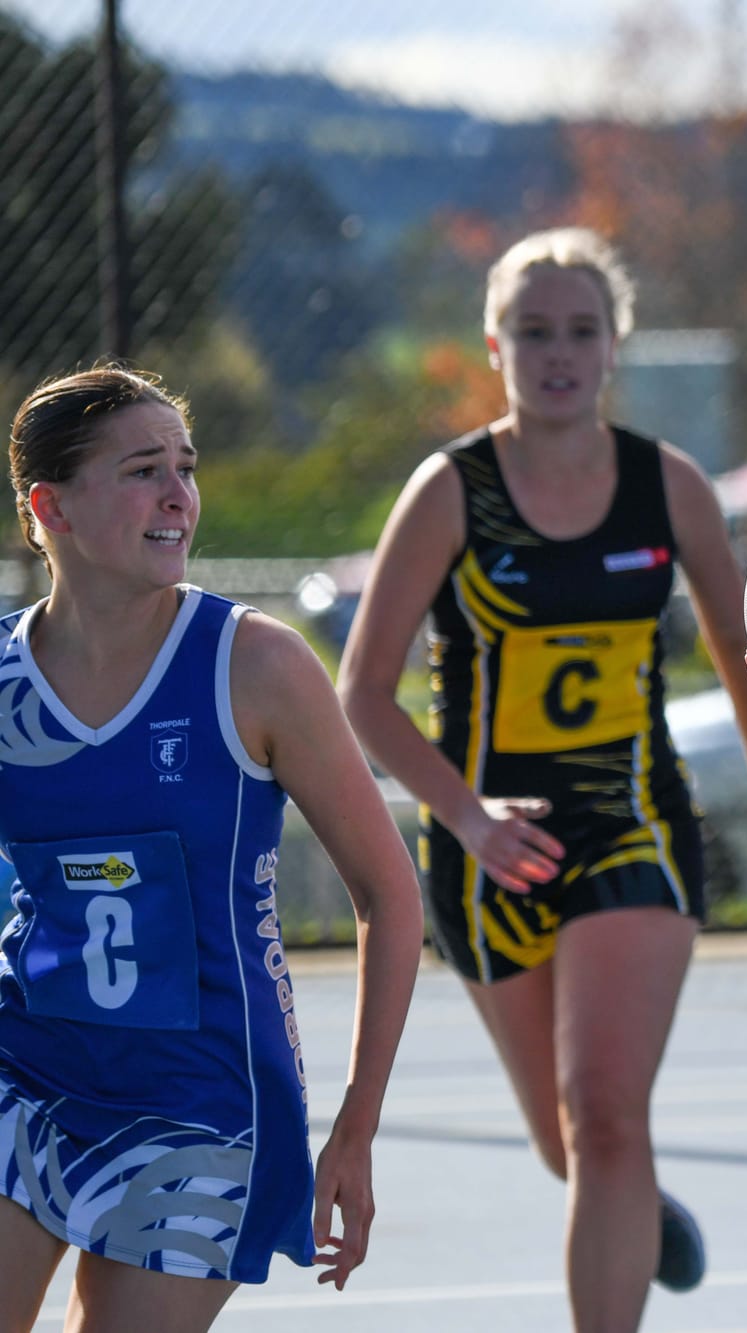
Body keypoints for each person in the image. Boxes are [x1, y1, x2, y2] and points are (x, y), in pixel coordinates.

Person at [338, 227, 747, 1333]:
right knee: (566, 1142)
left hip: (633, 825)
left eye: (581, 330)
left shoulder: (666, 485)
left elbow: (745, 659)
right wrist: (467, 815)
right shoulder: (451, 491)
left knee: (608, 1116)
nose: (558, 352)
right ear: (495, 345)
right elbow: (364, 693)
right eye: (534, 332)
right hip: (489, 844)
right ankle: (637, 1209)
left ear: (615, 344)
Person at [0, 367, 422, 1332]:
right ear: (51, 507)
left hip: (199, 1104)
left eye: (185, 468)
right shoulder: (7, 684)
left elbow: (389, 895)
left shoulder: (254, 664)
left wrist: (356, 1124)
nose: (178, 495)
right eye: (142, 470)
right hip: (28, 1066)